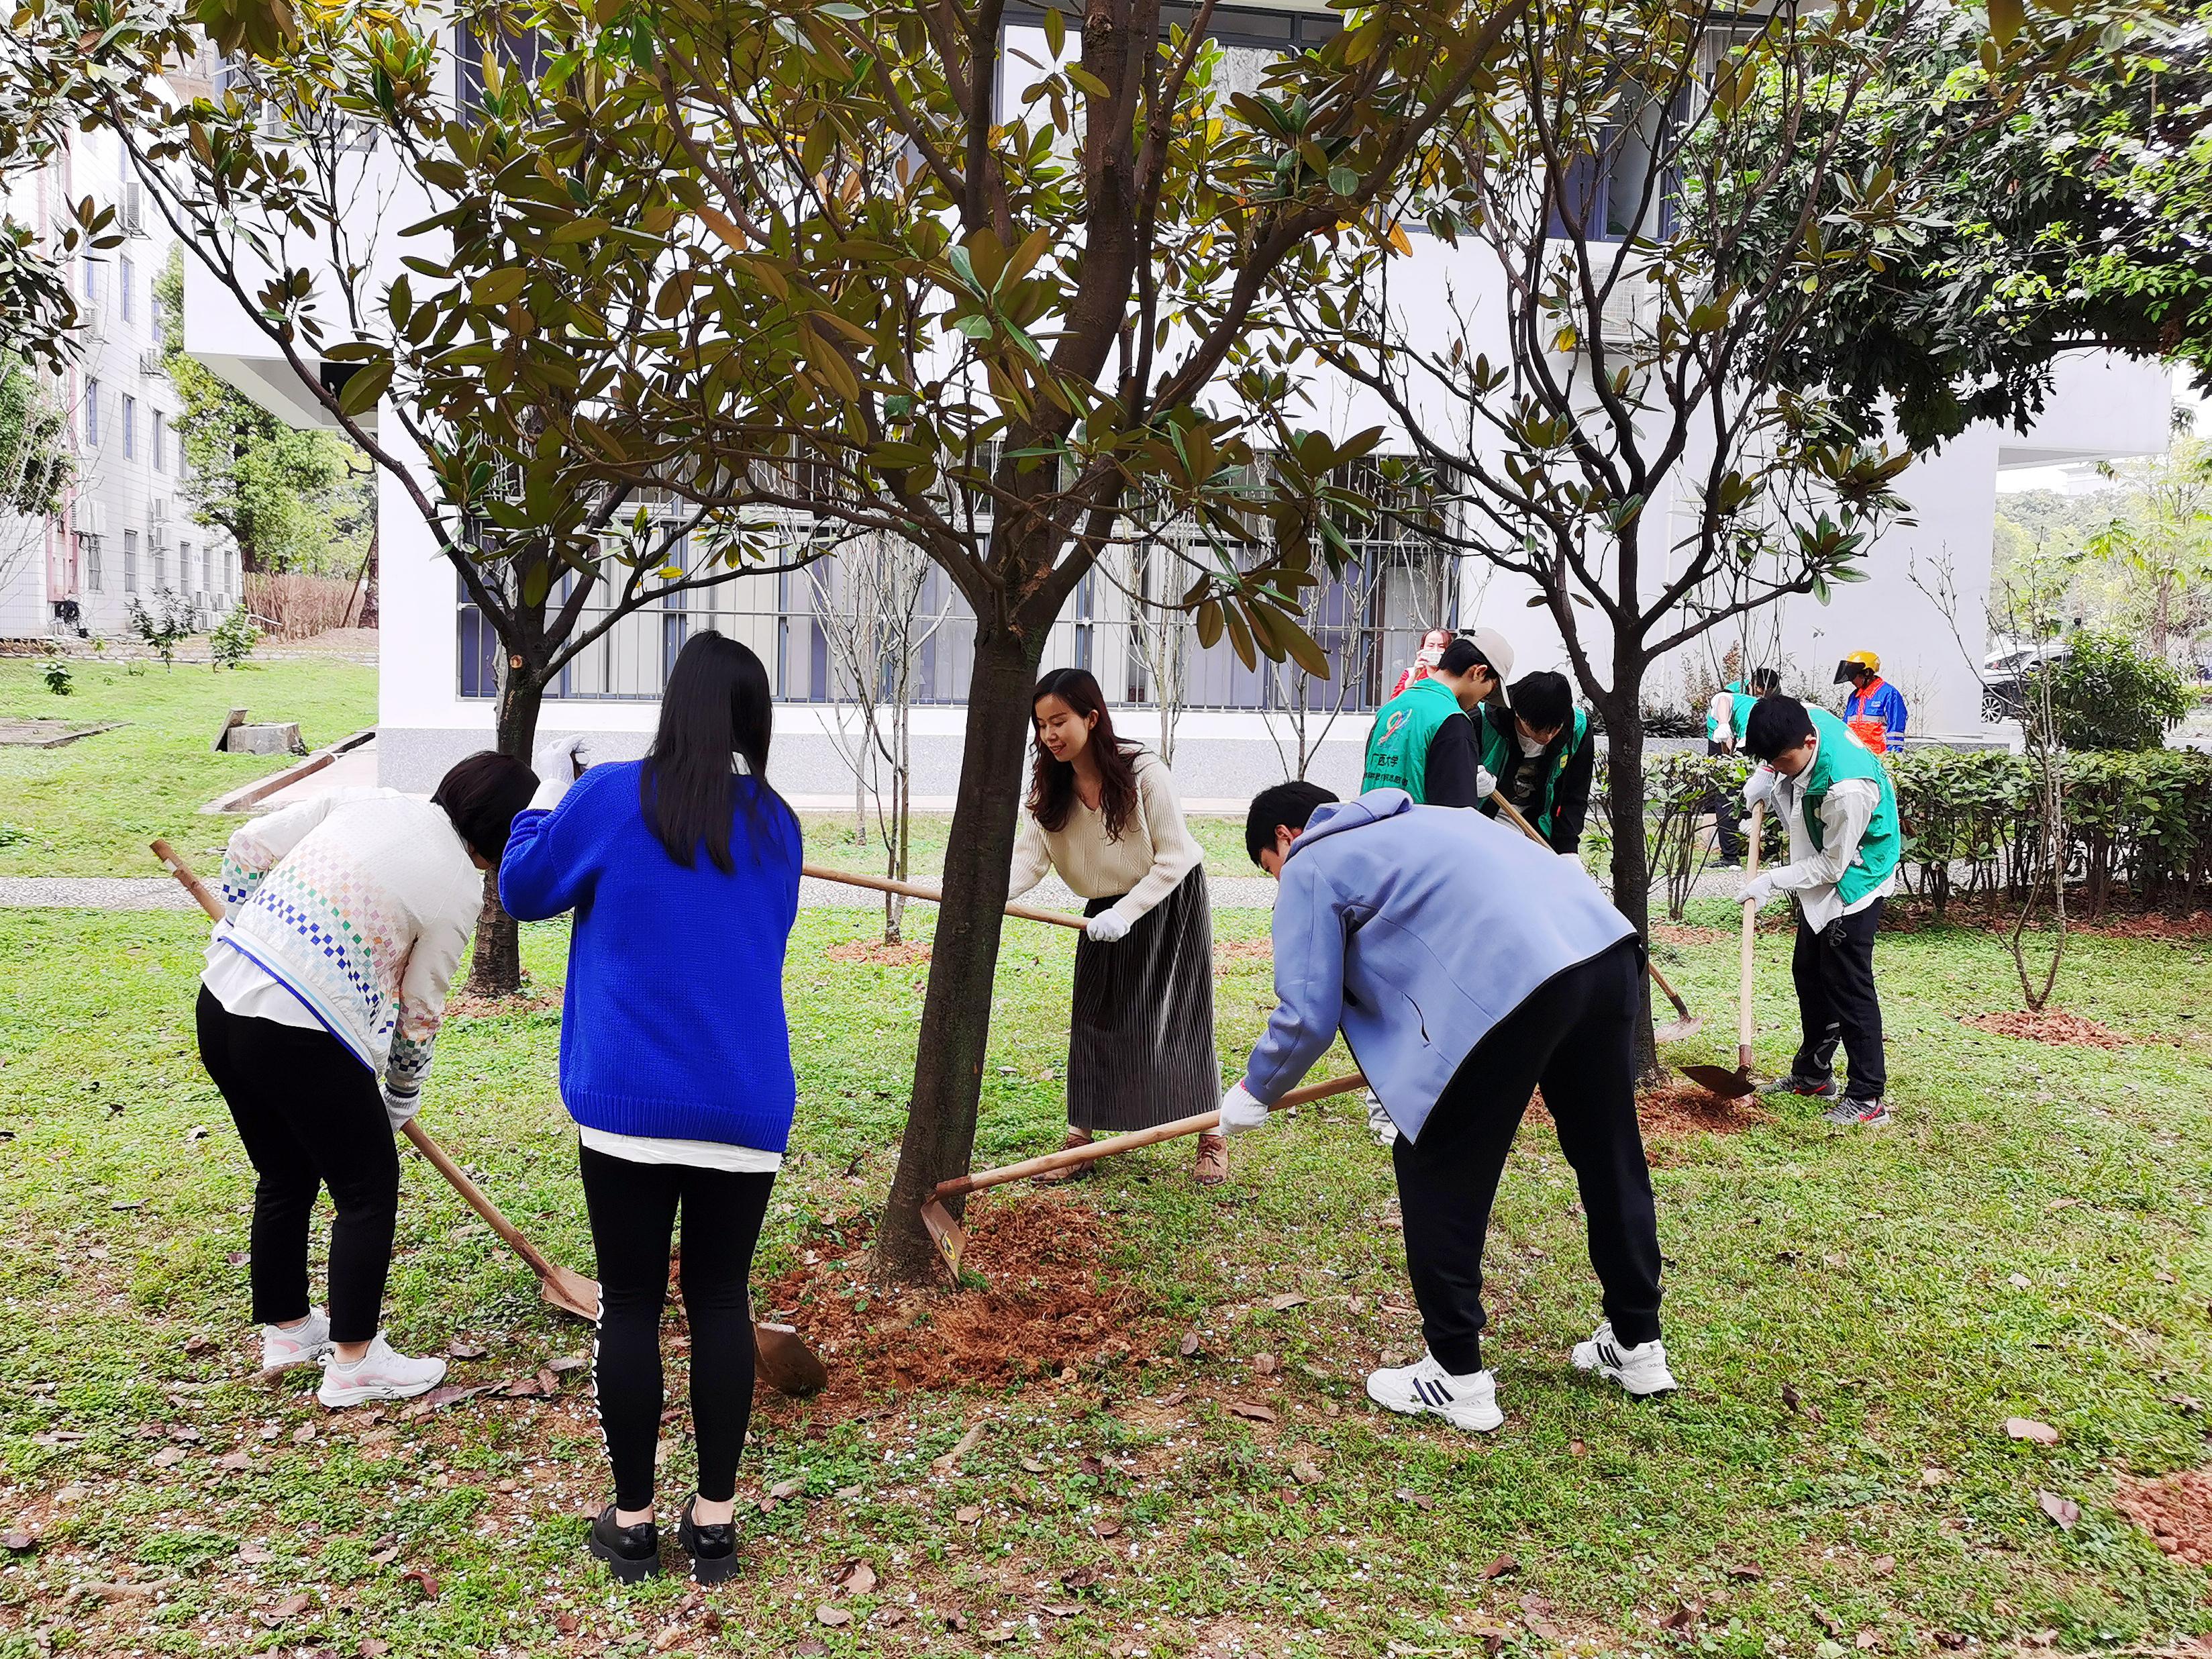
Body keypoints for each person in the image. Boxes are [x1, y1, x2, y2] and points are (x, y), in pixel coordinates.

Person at [1221, 781, 1676, 1433]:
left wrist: (1254, 1090)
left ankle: (1456, 1377)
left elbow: (1307, 1012)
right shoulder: (1432, 819)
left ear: (1284, 837)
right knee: (1609, 1155)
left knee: (1435, 1164)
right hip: (1601, 954)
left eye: (1271, 869)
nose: (1280, 880)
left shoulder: (1311, 861)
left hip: (1514, 981)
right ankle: (1638, 1344)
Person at [500, 632, 803, 1586]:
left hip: (629, 1099)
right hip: (743, 1099)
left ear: (674, 706)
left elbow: (523, 888)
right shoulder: (778, 826)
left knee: (629, 1301)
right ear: (755, 719)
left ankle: (631, 1524)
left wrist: (546, 794)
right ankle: (715, 1524)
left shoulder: (608, 796)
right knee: (719, 1298)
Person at [195, 752, 538, 1408]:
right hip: (300, 1031)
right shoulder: (458, 891)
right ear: (506, 836)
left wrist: (242, 923)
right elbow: (420, 1013)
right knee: (368, 1188)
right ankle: (354, 1363)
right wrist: (400, 1100)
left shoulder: (375, 800)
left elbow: (246, 847)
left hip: (222, 1002)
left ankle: (288, 1331)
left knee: (285, 1172)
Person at [1007, 668, 1224, 1185]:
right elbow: (1029, 861)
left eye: (1059, 721)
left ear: (1091, 718)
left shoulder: (1144, 771)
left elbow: (1175, 858)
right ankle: (1079, 1141)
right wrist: (983, 895)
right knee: (1093, 1017)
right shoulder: (1048, 786)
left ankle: (1212, 1135)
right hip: (1101, 910)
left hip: (1168, 899)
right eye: (1041, 725)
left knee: (1179, 1017)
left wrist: (1127, 913)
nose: (1049, 735)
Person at [1739, 696, 1899, 1127]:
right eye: (1771, 760)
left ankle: (1868, 1097)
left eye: (1783, 761)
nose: (1780, 767)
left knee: (1847, 983)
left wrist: (1773, 880)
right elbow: (1760, 721)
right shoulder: (1800, 720)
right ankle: (1813, 1075)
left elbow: (1832, 866)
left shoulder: (1847, 789)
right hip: (1827, 853)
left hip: (1859, 871)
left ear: (1810, 741)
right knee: (1809, 971)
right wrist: (1765, 776)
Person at [1360, 632, 1513, 809]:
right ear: (1479, 672)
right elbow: (1457, 813)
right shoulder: (1453, 720)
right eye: (1491, 688)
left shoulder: (1391, 708)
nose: (1483, 699)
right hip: (1416, 826)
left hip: (1372, 823)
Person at [1479, 669, 1596, 857]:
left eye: (1555, 729)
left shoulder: (1577, 728)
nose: (1546, 737)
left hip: (1539, 822)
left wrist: (1568, 849)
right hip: (1490, 817)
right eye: (1537, 729)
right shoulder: (1484, 720)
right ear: (1518, 713)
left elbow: (1574, 794)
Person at [1704, 667, 1782, 864]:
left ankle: (1731, 857)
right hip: (1767, 742)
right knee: (1774, 792)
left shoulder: (1740, 700)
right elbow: (1726, 733)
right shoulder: (1735, 692)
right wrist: (1724, 727)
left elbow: (1723, 702)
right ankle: (1772, 854)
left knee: (1727, 795)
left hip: (1751, 741)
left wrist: (1724, 728)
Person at [1835, 650, 1908, 754]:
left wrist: (1892, 757)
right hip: (1856, 755)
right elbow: (1846, 728)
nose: (1851, 680)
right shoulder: (1854, 697)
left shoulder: (1889, 694)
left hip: (1879, 757)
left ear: (1867, 673)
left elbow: (1896, 731)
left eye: (1854, 675)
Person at [1387, 627, 1454, 699]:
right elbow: (1395, 701)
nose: (1436, 650)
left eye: (1441, 646)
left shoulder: (1454, 675)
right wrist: (1414, 676)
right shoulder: (1410, 673)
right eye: (1431, 646)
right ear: (1422, 648)